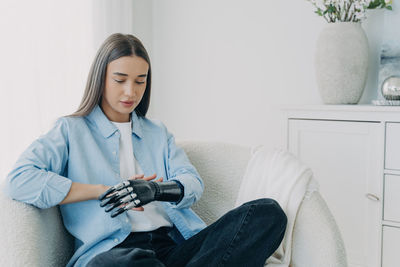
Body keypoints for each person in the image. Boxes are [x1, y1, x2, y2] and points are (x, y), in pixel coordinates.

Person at [4, 33, 287, 267]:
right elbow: (20, 180)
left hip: (173, 250)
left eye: (140, 81)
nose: (131, 92)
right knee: (128, 262)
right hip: (113, 254)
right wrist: (102, 191)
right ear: (100, 78)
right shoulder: (69, 131)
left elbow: (192, 182)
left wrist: (157, 191)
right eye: (120, 80)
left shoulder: (157, 133)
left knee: (267, 214)